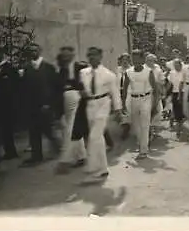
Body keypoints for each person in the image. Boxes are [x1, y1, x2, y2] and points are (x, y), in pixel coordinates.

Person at [79, 47, 122, 183]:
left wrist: (118, 110)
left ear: (100, 56)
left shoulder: (108, 74)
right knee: (98, 139)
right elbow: (82, 88)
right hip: (90, 106)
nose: (92, 58)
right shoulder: (83, 72)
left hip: (103, 104)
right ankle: (103, 168)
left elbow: (115, 93)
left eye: (95, 55)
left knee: (94, 136)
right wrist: (83, 93)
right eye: (89, 55)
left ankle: (93, 168)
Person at [21, 43, 61, 166]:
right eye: (30, 50)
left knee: (49, 131)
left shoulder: (48, 67)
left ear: (40, 51)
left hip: (45, 106)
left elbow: (55, 88)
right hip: (32, 106)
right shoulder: (27, 68)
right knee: (33, 132)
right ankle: (36, 156)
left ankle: (61, 152)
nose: (33, 52)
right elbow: (24, 89)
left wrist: (50, 104)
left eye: (35, 50)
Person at [55, 46, 90, 174]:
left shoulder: (79, 67)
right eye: (63, 55)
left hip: (77, 97)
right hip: (65, 99)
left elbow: (86, 82)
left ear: (72, 55)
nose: (65, 57)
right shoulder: (61, 70)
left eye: (68, 55)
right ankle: (81, 156)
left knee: (70, 128)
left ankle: (64, 160)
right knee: (70, 128)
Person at [0, 49, 20, 177]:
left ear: (1, 55)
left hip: (7, 105)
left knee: (7, 128)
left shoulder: (10, 69)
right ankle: (0, 151)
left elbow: (15, 87)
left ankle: (10, 151)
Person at [127, 50, 158, 159]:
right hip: (133, 99)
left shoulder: (148, 71)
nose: (135, 61)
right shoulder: (128, 72)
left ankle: (143, 150)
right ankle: (141, 144)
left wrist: (156, 104)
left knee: (145, 125)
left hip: (146, 98)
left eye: (137, 59)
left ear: (142, 59)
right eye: (133, 59)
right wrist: (122, 103)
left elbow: (155, 89)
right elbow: (125, 88)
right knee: (136, 126)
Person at [146, 53, 165, 141]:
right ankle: (148, 131)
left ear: (154, 61)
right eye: (148, 60)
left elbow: (162, 82)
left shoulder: (158, 70)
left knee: (156, 110)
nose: (149, 62)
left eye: (151, 60)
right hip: (146, 92)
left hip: (156, 92)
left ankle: (153, 130)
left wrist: (161, 92)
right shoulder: (143, 68)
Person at [168, 59, 185, 137]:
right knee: (176, 110)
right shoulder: (172, 73)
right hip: (174, 93)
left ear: (180, 65)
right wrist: (168, 94)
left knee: (181, 111)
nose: (176, 66)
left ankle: (179, 127)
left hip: (183, 93)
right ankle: (177, 127)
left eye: (177, 64)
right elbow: (170, 84)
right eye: (175, 65)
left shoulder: (184, 72)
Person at [117, 53, 132, 140]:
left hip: (129, 92)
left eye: (126, 60)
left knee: (127, 110)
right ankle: (125, 126)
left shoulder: (131, 70)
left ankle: (126, 128)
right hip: (119, 92)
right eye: (123, 60)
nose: (125, 61)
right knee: (120, 111)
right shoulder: (118, 70)